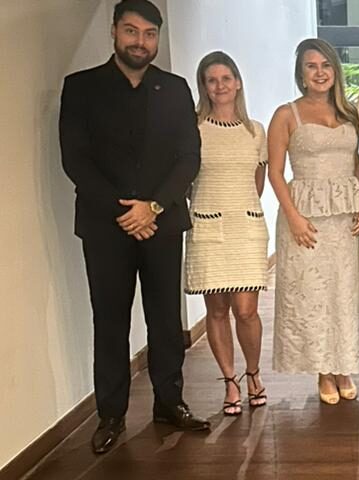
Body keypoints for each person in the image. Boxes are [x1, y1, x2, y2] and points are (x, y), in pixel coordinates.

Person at [59, 0, 209, 454]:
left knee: (166, 318)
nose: (140, 41)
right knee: (110, 320)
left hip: (162, 223)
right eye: (131, 31)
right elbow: (76, 160)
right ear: (114, 32)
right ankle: (111, 414)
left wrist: (154, 207)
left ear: (156, 38)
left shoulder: (175, 88)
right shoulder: (81, 88)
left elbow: (189, 156)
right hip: (105, 227)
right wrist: (127, 212)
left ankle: (169, 402)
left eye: (149, 33)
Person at [268, 38, 359, 405]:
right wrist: (293, 217)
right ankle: (324, 369)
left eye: (326, 65)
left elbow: (355, 163)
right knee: (312, 295)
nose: (320, 72)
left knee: (343, 292)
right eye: (312, 66)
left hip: (343, 218)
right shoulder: (286, 114)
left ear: (335, 71)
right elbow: (275, 172)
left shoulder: (349, 112)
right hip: (305, 216)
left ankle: (343, 364)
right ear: (301, 73)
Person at [185, 51, 269, 416]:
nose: (219, 86)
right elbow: (185, 178)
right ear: (204, 86)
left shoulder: (255, 131)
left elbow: (258, 181)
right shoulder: (193, 129)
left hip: (246, 227)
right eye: (211, 80)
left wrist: (241, 208)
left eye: (225, 78)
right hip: (207, 227)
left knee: (246, 311)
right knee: (217, 310)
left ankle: (253, 374)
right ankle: (230, 382)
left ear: (237, 82)